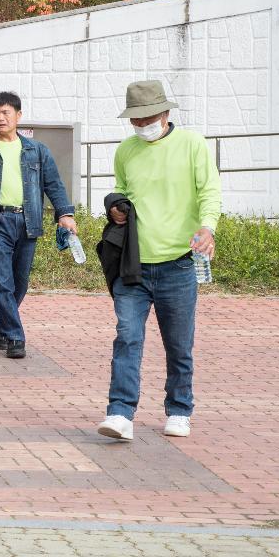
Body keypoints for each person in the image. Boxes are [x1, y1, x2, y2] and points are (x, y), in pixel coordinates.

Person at [97, 80, 221, 442]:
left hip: (178, 264)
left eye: (148, 117)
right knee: (126, 337)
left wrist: (207, 227)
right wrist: (117, 211)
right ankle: (120, 412)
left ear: (166, 113)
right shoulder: (126, 151)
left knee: (178, 344)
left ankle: (179, 409)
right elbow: (124, 191)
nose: (141, 125)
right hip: (132, 265)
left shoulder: (192, 145)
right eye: (135, 120)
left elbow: (209, 190)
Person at [0, 92, 76, 360]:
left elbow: (53, 185)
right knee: (3, 283)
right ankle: (15, 337)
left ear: (18, 116)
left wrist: (65, 214)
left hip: (27, 222)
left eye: (5, 113)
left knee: (19, 283)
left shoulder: (37, 150)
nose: (0, 118)